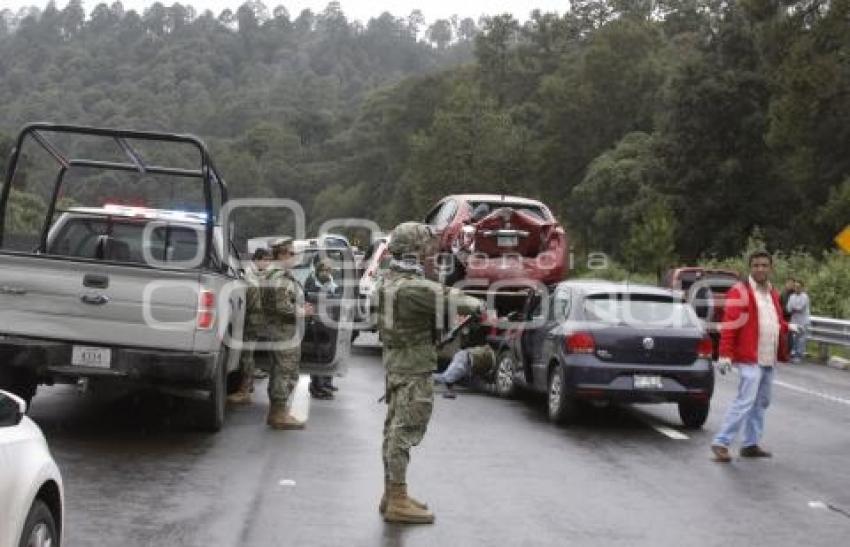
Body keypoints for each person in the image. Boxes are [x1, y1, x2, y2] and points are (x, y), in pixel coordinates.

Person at [377, 221, 483, 524]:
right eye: (426, 247)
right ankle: (397, 499)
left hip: (398, 363)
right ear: (415, 250)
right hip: (413, 368)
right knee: (404, 431)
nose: (431, 252)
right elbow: (451, 298)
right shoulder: (413, 287)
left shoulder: (388, 279)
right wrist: (480, 306)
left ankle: (393, 492)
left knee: (393, 430)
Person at [710, 250, 794, 462]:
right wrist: (725, 355)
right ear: (750, 267)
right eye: (756, 265)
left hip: (767, 356)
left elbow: (772, 320)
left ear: (770, 268)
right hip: (749, 357)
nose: (760, 269)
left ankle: (750, 444)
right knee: (745, 400)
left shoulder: (773, 293)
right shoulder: (740, 291)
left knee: (761, 402)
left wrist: (788, 326)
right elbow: (730, 325)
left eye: (764, 265)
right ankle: (721, 442)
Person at [261, 237, 312, 430]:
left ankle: (277, 412)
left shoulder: (276, 275)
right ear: (281, 254)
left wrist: (299, 306)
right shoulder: (279, 277)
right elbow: (281, 307)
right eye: (291, 253)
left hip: (280, 331)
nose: (294, 257)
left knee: (279, 371)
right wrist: (301, 311)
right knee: (285, 372)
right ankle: (279, 414)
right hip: (284, 332)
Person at [227, 248, 270, 404]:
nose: (267, 263)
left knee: (247, 354)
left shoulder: (257, 274)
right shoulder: (249, 274)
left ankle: (245, 389)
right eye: (265, 259)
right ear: (257, 259)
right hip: (248, 319)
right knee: (246, 355)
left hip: (253, 320)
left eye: (268, 260)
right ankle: (245, 388)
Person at [305, 258, 339, 399]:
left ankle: (326, 382)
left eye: (329, 270)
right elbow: (309, 297)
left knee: (328, 354)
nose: (326, 273)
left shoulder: (332, 283)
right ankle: (317, 386)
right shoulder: (312, 282)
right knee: (318, 356)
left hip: (329, 323)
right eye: (324, 270)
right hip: (316, 323)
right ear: (318, 270)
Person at [787, 279, 811, 362]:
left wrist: (794, 308)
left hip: (803, 321)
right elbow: (789, 308)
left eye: (798, 287)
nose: (797, 288)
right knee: (793, 338)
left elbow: (800, 308)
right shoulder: (792, 296)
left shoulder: (805, 296)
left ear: (802, 287)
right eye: (795, 286)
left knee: (801, 339)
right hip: (794, 320)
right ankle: (793, 354)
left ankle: (799, 355)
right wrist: (794, 308)